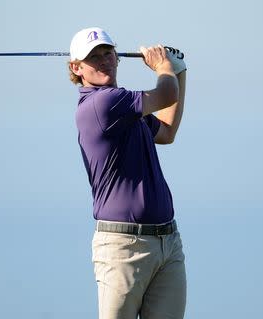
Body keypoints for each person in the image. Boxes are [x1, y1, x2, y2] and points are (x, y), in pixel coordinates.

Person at [68, 27, 187, 319]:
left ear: (117, 57)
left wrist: (179, 70)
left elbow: (167, 132)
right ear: (77, 68)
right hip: (123, 249)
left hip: (167, 244)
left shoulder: (126, 108)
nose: (104, 61)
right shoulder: (101, 104)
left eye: (108, 53)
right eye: (93, 58)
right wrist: (163, 67)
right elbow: (166, 92)